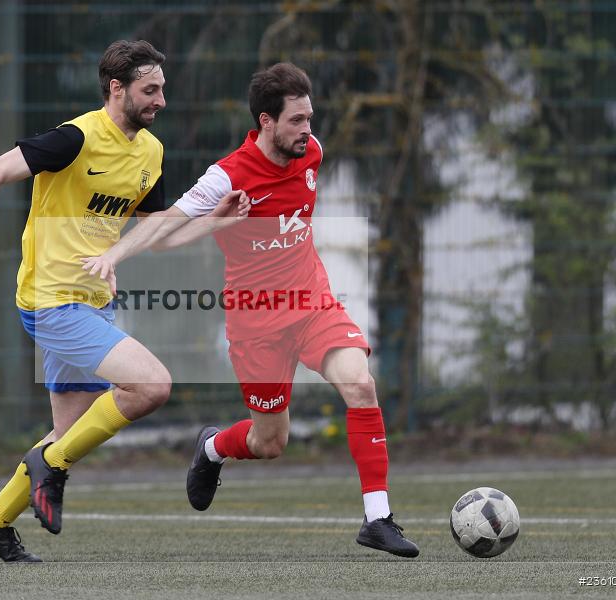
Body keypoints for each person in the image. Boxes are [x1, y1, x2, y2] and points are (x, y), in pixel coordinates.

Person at [82, 62, 419, 558]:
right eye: (296, 122)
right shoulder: (227, 176)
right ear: (266, 121)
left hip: (311, 304)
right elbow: (163, 230)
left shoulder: (313, 153)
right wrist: (116, 254)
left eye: (310, 119)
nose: (308, 131)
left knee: (360, 383)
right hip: (255, 323)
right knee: (269, 442)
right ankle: (213, 448)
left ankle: (377, 518)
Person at [0, 39, 249, 562]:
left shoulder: (150, 152)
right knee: (151, 385)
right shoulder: (76, 138)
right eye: (150, 90)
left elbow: (154, 235)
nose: (160, 101)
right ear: (116, 89)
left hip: (93, 304)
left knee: (67, 435)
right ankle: (49, 468)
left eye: (162, 90)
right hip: (51, 302)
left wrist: (214, 220)